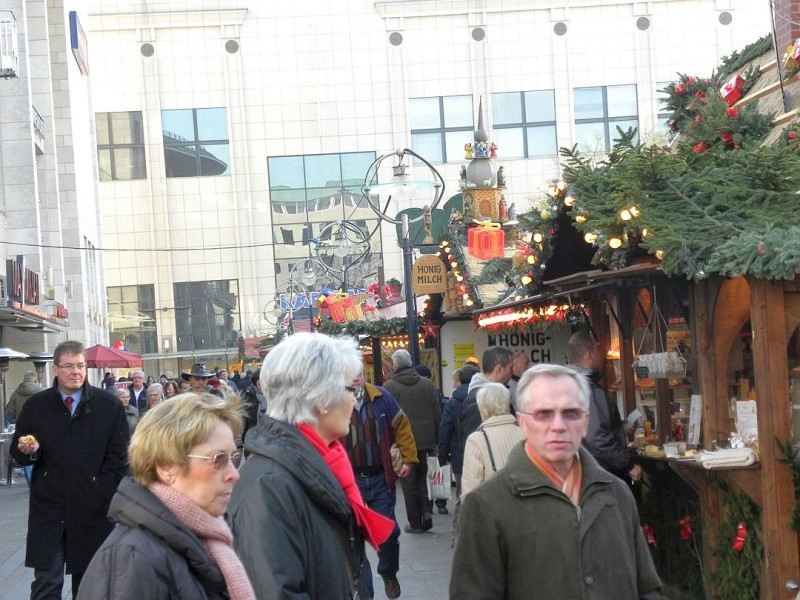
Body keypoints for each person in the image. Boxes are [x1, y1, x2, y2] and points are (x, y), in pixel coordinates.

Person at [450, 363, 662, 599]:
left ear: (585, 422)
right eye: (544, 413)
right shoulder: (486, 506)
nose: (558, 426)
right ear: (522, 422)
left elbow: (645, 588)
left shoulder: (617, 494)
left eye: (570, 412)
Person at [228, 333, 394, 599]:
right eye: (349, 389)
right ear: (320, 399)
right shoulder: (270, 485)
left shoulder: (318, 463)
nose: (354, 400)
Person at [77, 391, 256, 600]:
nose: (234, 474)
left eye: (233, 457)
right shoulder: (132, 560)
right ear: (166, 467)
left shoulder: (213, 534)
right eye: (218, 459)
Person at [11, 340, 129, 600]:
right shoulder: (36, 406)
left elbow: (120, 460)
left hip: (92, 510)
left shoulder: (107, 406)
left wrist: (100, 492)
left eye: (80, 366)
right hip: (49, 509)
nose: (76, 371)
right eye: (68, 366)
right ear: (55, 369)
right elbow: (18, 452)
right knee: (46, 584)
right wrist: (29, 451)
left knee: (89, 586)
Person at [342, 370, 417, 599]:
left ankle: (388, 572)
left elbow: (402, 427)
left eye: (358, 373)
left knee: (389, 533)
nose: (356, 377)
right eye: (349, 373)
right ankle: (365, 593)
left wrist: (408, 458)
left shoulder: (382, 397)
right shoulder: (333, 400)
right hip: (350, 481)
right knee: (353, 539)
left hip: (380, 478)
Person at [567, 330, 641, 485]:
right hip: (601, 473)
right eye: (598, 349)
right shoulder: (588, 390)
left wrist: (618, 427)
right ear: (589, 355)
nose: (601, 354)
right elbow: (597, 438)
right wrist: (627, 465)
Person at [383, 350, 441, 533]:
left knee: (408, 482)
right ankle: (426, 511)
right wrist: (437, 439)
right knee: (423, 478)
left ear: (395, 365)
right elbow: (437, 412)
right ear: (410, 362)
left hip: (403, 442)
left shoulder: (390, 387)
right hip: (425, 440)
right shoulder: (427, 384)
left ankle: (415, 522)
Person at [437, 364, 479, 547]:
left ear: (460, 380)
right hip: (480, 451)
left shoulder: (453, 401)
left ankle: (458, 534)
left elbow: (445, 428)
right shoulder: (481, 397)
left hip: (461, 454)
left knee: (463, 494)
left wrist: (442, 454)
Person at [460, 383, 524, 497]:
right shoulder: (526, 434)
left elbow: (470, 488)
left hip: (493, 508)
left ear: (482, 407)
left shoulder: (476, 440)